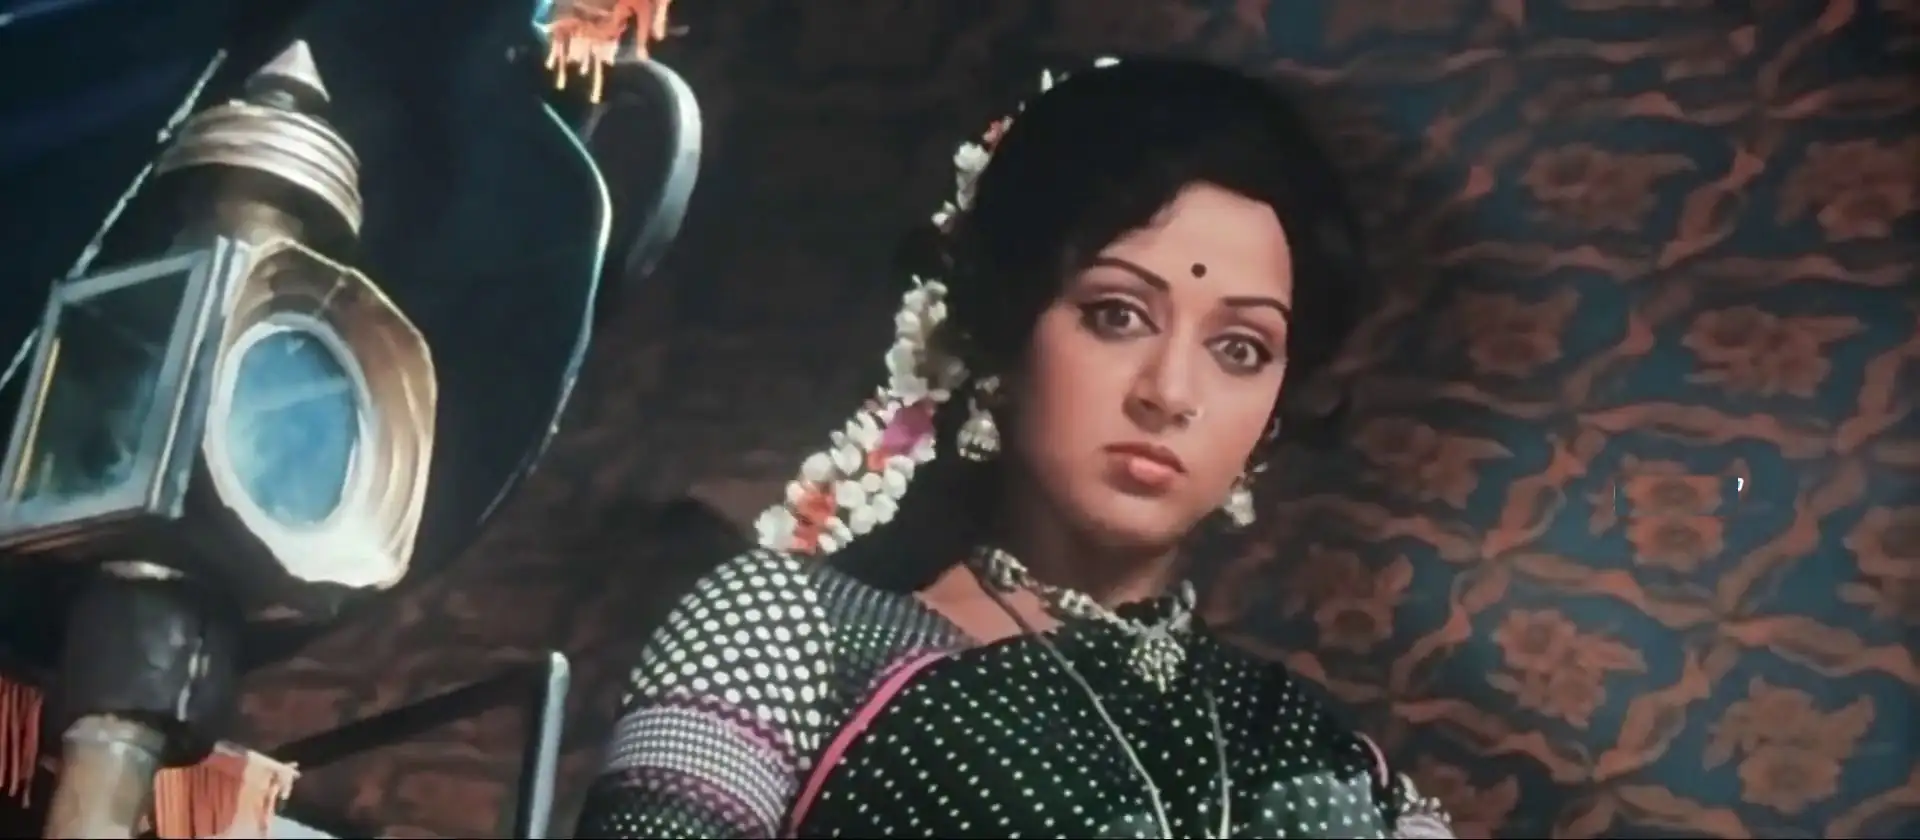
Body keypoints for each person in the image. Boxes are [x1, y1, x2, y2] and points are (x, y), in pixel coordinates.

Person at [574, 57, 1456, 839]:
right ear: (1004, 330)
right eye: (1117, 315)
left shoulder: (1328, 758)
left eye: (1240, 349)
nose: (1169, 392)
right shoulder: (789, 637)